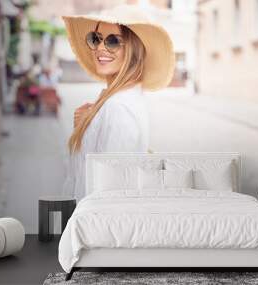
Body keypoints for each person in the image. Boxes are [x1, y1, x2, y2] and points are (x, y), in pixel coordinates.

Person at [61, 4, 175, 201]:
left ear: (133, 49)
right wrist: (86, 127)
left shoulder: (118, 108)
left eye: (112, 41)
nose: (99, 48)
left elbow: (110, 191)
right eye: (95, 39)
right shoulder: (116, 102)